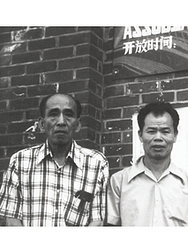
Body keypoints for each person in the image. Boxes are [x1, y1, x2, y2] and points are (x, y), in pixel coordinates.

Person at [0, 93, 109, 226]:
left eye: (68, 114)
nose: (61, 122)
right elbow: (12, 220)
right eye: (53, 114)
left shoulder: (96, 163)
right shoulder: (20, 161)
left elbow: (97, 222)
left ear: (78, 124)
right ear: (41, 124)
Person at [106, 102, 188, 226]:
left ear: (175, 135)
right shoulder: (119, 182)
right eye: (151, 131)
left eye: (165, 131)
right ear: (140, 135)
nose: (158, 137)